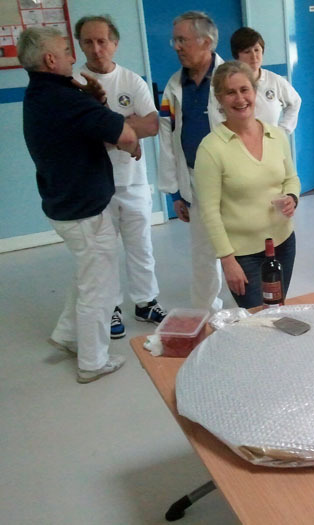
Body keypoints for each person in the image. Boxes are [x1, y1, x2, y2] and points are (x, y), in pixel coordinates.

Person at [19, 26, 139, 383]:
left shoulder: (42, 93)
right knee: (98, 287)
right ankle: (92, 361)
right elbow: (124, 133)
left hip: (65, 204)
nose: (75, 56)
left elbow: (90, 127)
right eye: (66, 50)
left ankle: (68, 335)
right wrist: (130, 136)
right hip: (83, 211)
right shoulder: (63, 98)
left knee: (88, 274)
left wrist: (95, 101)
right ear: (50, 59)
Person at [75, 15, 166, 339]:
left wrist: (107, 131)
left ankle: (146, 302)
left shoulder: (131, 81)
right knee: (104, 252)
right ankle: (111, 306)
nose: (96, 48)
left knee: (141, 245)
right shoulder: (74, 84)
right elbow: (77, 134)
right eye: (88, 42)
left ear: (114, 43)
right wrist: (126, 130)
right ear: (80, 45)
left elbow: (151, 125)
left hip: (133, 180)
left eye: (102, 41)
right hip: (95, 185)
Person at [193, 61, 301, 309]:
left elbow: (291, 178)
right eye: (230, 92)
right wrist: (227, 260)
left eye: (244, 90)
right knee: (257, 319)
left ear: (255, 91)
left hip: (283, 242)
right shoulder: (211, 148)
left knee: (276, 309)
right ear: (219, 99)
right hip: (243, 254)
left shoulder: (276, 135)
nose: (240, 99)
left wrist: (292, 197)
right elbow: (209, 211)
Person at [158, 11, 225, 313]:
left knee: (247, 246)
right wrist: (175, 193)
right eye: (175, 40)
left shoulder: (231, 78)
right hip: (195, 180)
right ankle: (206, 311)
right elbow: (167, 140)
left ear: (206, 42)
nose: (176, 47)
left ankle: (254, 305)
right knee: (203, 251)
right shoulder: (175, 85)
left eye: (182, 40)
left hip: (234, 178)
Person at [229, 27, 301, 135]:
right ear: (237, 55)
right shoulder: (229, 84)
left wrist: (283, 130)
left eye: (257, 50)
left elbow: (295, 101)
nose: (254, 56)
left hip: (271, 142)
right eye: (247, 51)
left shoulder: (274, 81)